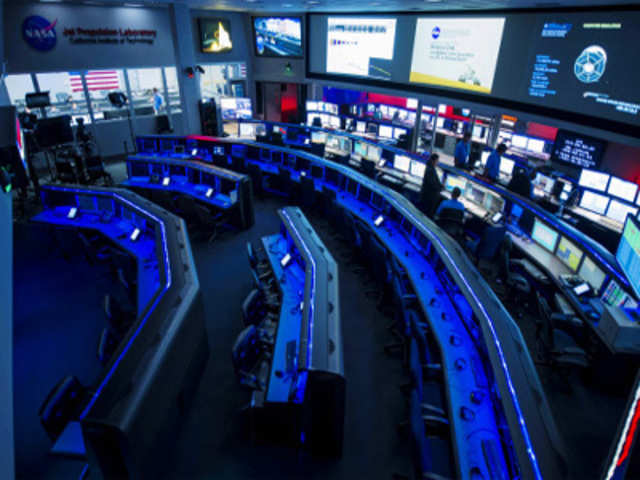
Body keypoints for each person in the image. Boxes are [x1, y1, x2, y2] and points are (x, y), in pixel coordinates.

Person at [420, 153, 443, 218]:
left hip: (428, 195)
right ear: (433, 160)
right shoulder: (430, 170)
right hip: (429, 196)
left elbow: (435, 181)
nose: (437, 163)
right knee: (427, 213)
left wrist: (440, 186)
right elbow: (432, 183)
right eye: (437, 161)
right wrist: (440, 188)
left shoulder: (430, 168)